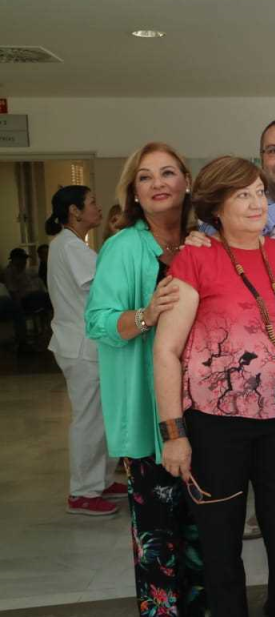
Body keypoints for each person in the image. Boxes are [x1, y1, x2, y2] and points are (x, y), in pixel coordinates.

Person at [155, 157, 275, 616]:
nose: (256, 202)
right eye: (242, 194)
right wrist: (174, 434)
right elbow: (165, 351)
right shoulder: (195, 256)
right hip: (215, 424)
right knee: (222, 544)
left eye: (260, 191)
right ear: (215, 208)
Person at [84, 141, 206, 615]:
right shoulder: (121, 247)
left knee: (203, 528)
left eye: (168, 173)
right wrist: (145, 314)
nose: (158, 184)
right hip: (148, 413)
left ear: (187, 182)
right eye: (146, 177)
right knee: (158, 533)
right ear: (133, 192)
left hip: (202, 409)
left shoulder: (205, 240)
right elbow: (98, 322)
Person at [46, 185, 126, 516]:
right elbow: (106, 288)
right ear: (75, 211)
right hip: (81, 345)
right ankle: (82, 491)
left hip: (86, 344)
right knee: (89, 419)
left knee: (102, 416)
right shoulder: (69, 247)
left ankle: (102, 479)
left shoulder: (72, 245)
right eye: (92, 203)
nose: (98, 207)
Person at [5, 248, 52, 313]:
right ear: (15, 259)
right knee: (47, 297)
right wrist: (19, 309)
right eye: (22, 259)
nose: (25, 261)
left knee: (51, 297)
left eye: (25, 259)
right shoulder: (10, 272)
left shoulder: (25, 270)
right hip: (26, 300)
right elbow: (13, 292)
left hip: (36, 296)